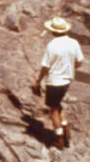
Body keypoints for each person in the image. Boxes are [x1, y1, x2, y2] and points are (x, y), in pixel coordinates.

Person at [32, 16, 83, 149]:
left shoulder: (52, 45)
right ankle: (66, 129)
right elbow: (79, 62)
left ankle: (59, 139)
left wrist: (38, 81)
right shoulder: (74, 42)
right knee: (58, 104)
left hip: (54, 81)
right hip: (67, 80)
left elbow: (45, 66)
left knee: (53, 110)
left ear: (53, 31)